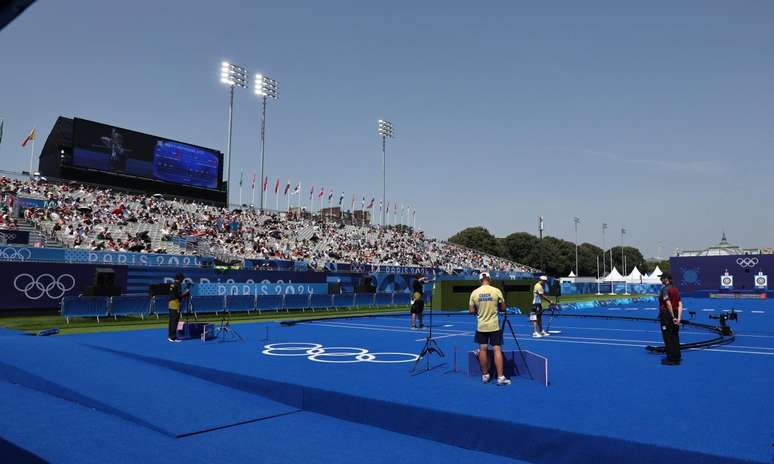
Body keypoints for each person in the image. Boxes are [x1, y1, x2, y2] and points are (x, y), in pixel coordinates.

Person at [469, 272, 510, 386]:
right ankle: (500, 377)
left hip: (481, 325)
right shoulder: (496, 291)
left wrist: (479, 312)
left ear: (480, 280)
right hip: (494, 325)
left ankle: (485, 375)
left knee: (483, 349)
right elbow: (503, 308)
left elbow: (471, 311)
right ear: (489, 279)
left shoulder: (474, 293)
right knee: (497, 349)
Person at [658, 272, 682, 365]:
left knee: (667, 337)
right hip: (675, 313)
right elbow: (680, 304)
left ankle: (671, 359)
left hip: (667, 315)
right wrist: (678, 318)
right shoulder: (676, 289)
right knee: (675, 336)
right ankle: (677, 356)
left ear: (666, 279)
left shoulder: (665, 289)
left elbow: (668, 304)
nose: (661, 280)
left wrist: (672, 317)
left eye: (662, 278)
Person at [167, 273, 190, 343]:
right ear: (179, 278)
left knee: (171, 321)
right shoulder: (178, 285)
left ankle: (170, 336)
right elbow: (179, 296)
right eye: (182, 278)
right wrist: (186, 292)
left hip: (170, 304)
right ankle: (173, 337)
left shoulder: (173, 284)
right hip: (175, 304)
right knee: (174, 321)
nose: (182, 280)